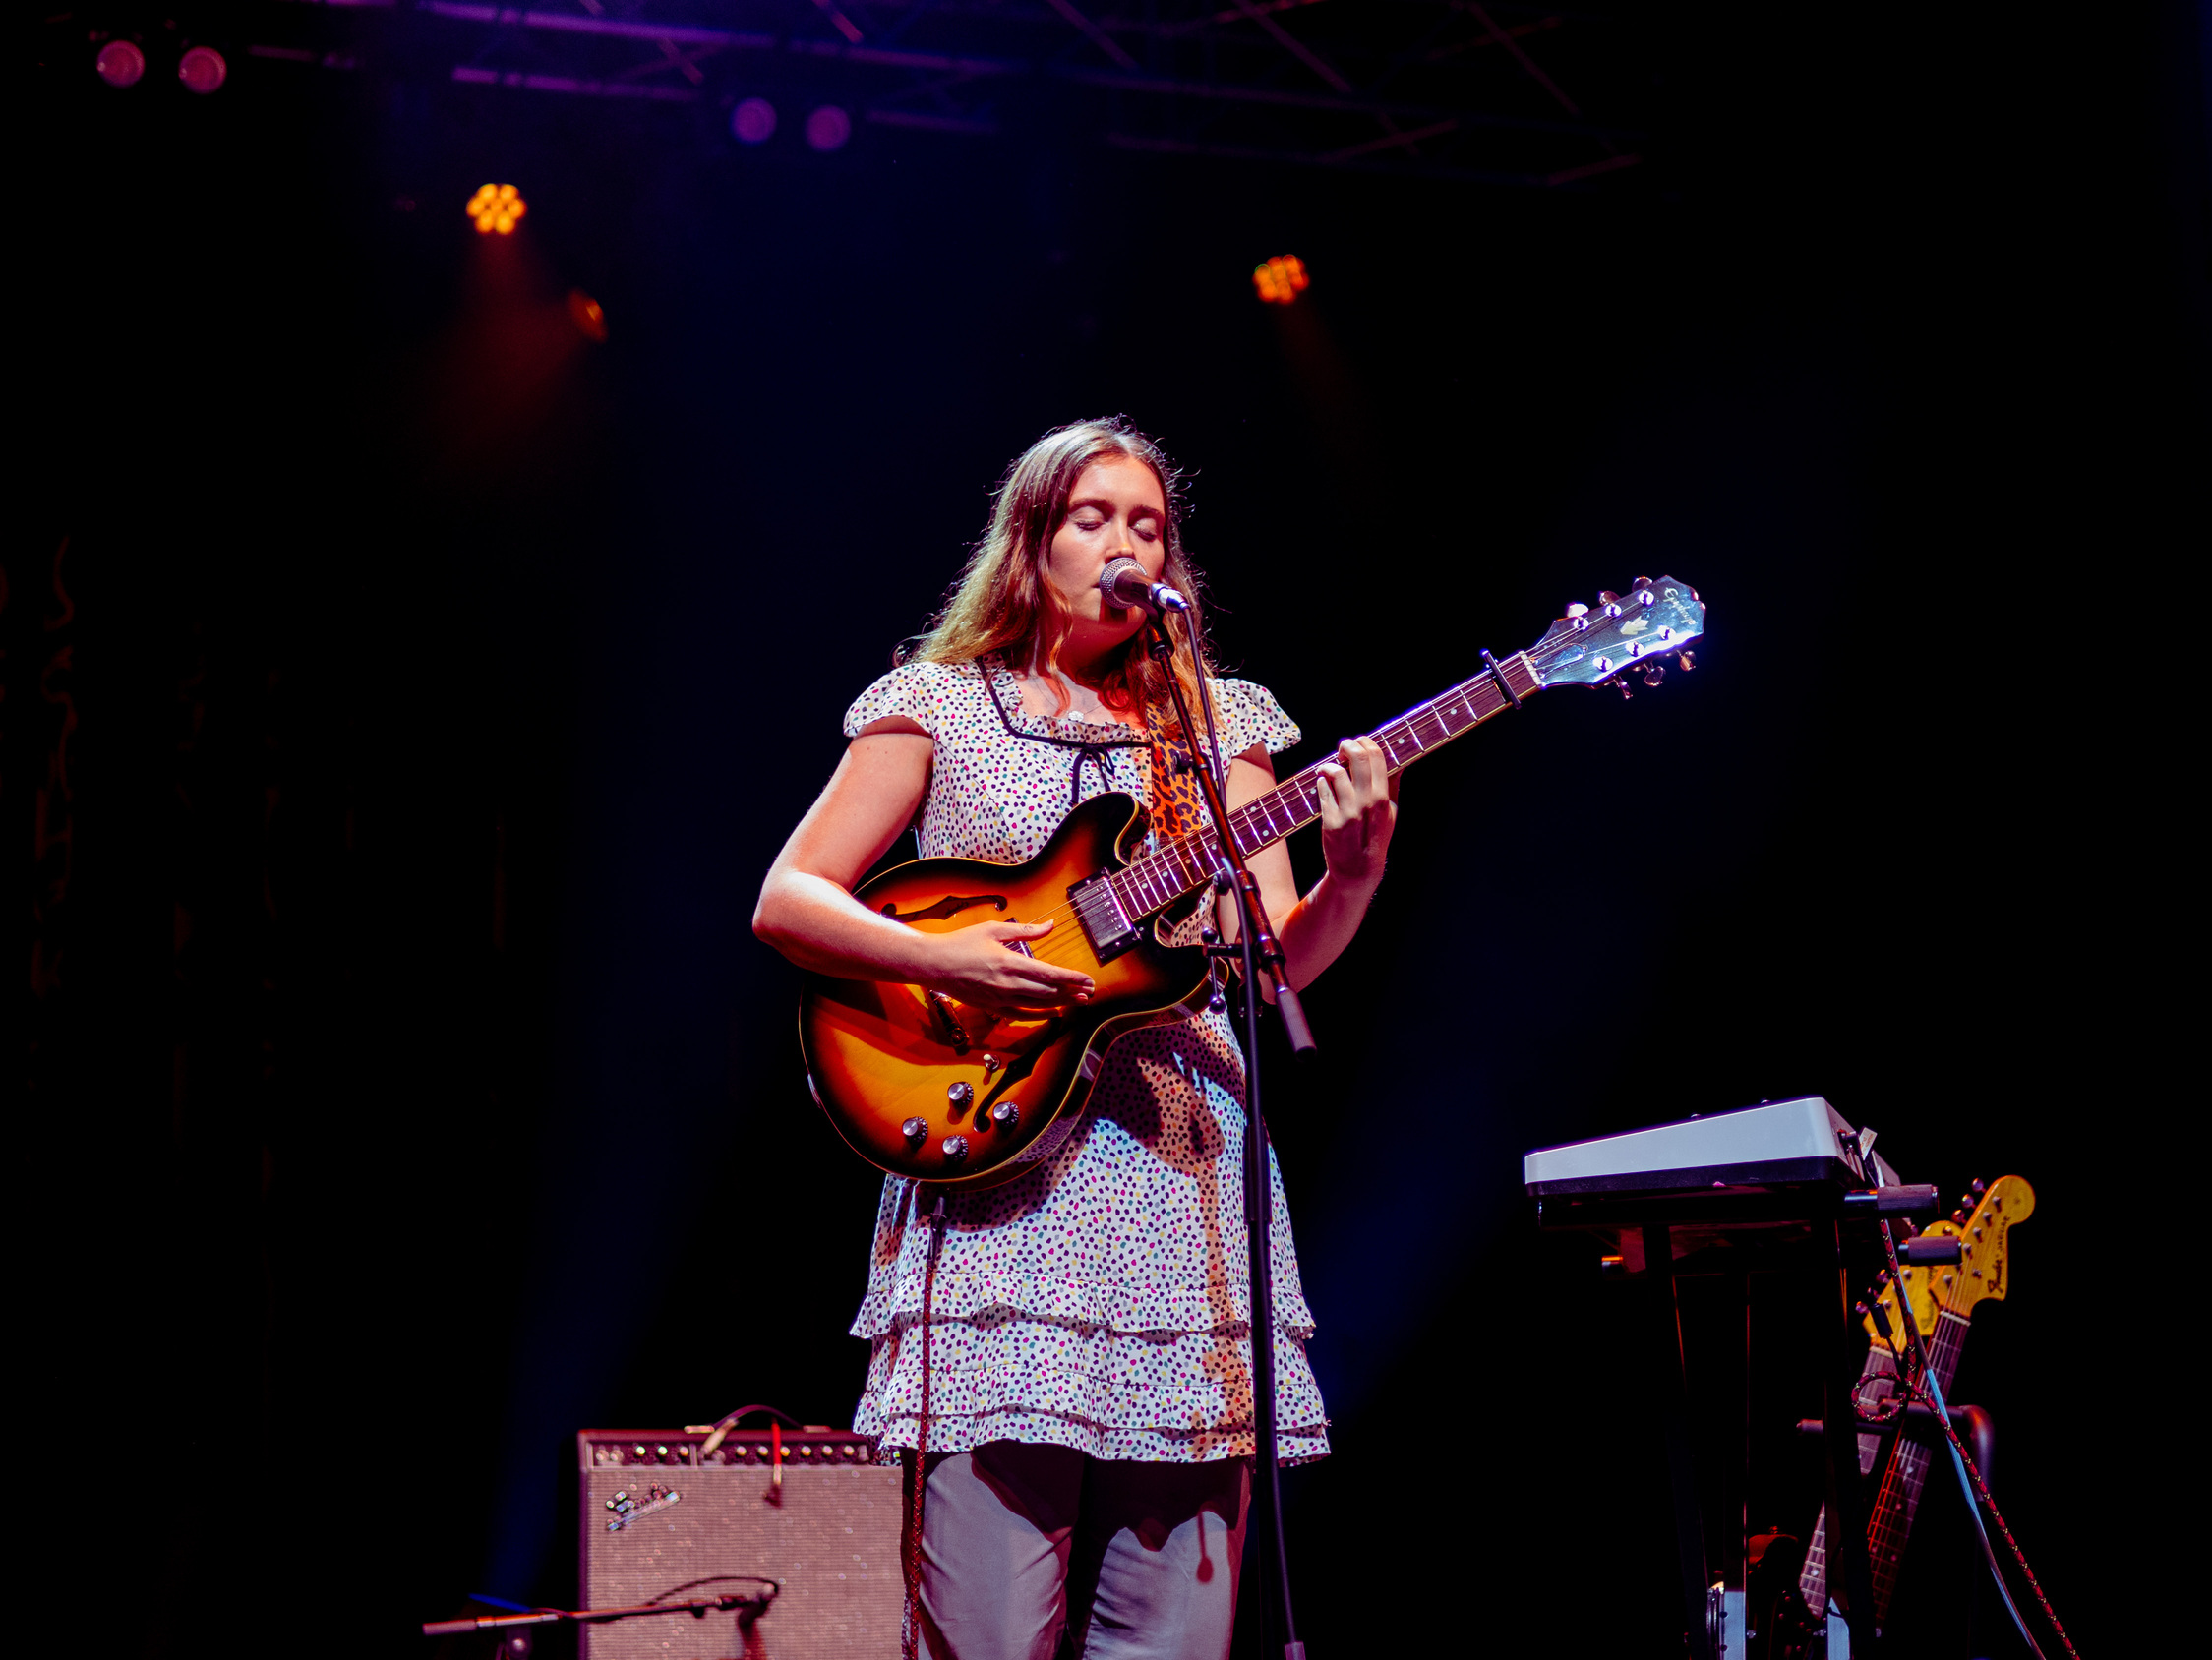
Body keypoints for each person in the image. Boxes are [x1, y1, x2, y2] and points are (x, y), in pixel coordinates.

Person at [753, 417, 1399, 1660]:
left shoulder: (1214, 726)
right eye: (1092, 517)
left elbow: (1272, 961)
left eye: (1146, 523)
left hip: (1180, 1202)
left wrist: (1354, 872)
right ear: (1030, 541)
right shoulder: (938, 705)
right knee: (988, 1630)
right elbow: (790, 897)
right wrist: (943, 958)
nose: (1123, 542)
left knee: (1172, 1638)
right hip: (1002, 1200)